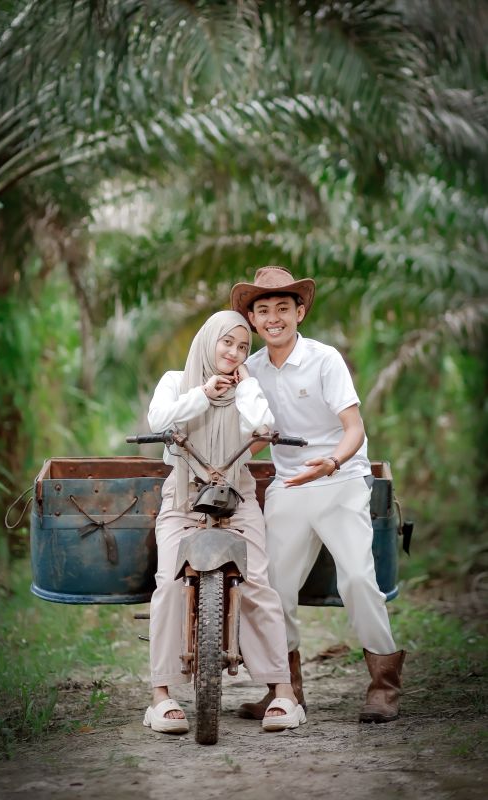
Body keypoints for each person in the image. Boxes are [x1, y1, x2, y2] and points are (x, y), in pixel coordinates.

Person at [230, 267, 406, 724]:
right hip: (288, 485)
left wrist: (331, 462)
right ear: (253, 320)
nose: (273, 318)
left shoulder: (324, 359)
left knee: (359, 580)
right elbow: (257, 437)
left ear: (300, 313)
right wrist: (223, 458)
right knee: (273, 589)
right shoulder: (251, 370)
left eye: (282, 308)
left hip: (340, 480)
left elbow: (354, 428)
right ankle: (285, 691)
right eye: (263, 310)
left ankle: (384, 687)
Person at [143, 309, 306, 734]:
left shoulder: (247, 389)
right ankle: (161, 696)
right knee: (168, 583)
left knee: (258, 584)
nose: (234, 352)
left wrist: (246, 385)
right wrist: (202, 393)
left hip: (238, 495)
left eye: (243, 347)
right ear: (208, 341)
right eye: (227, 342)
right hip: (184, 496)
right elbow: (159, 420)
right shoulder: (175, 381)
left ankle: (284, 693)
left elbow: (262, 426)